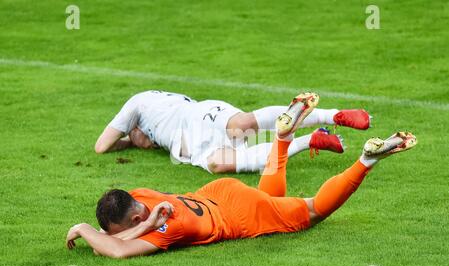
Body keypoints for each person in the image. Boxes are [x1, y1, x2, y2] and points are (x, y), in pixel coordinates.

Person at [67, 104, 416, 258]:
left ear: (135, 217)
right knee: (272, 201)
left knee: (311, 212)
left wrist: (85, 228)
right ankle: (282, 139)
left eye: (119, 229)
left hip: (235, 217)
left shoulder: (166, 229)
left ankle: (366, 160)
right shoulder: (139, 196)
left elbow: (117, 250)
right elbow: (122, 237)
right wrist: (136, 227)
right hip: (220, 193)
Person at [94, 90, 371, 173]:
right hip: (200, 121)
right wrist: (138, 138)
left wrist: (131, 139)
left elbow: (101, 146)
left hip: (192, 126)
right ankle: (318, 131)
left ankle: (326, 120)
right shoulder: (157, 103)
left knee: (240, 131)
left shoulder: (136, 103)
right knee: (229, 148)